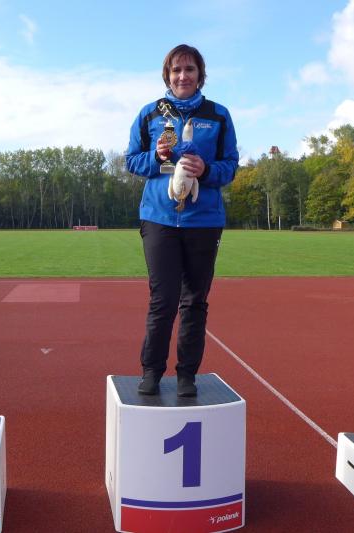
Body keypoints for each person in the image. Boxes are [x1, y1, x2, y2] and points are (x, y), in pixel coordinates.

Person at [125, 44, 239, 396]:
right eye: (176, 70)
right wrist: (156, 157)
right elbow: (131, 161)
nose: (182, 76)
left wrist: (206, 170)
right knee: (163, 300)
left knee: (195, 301)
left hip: (204, 220)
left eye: (189, 69)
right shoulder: (149, 114)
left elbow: (230, 166)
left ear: (200, 75)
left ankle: (187, 375)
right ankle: (151, 371)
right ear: (167, 75)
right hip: (159, 218)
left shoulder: (218, 115)